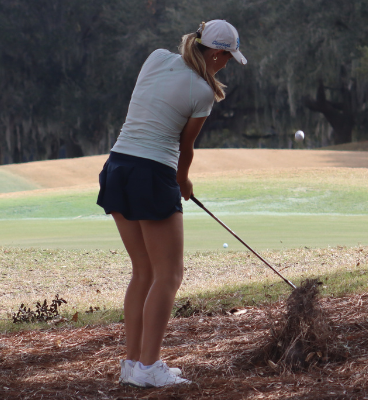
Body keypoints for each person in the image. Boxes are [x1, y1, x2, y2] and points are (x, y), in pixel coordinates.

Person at [96, 20, 247, 388]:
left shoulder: (155, 57)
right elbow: (185, 146)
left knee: (143, 272)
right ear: (215, 53)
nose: (226, 64)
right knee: (169, 275)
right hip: (151, 175)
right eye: (227, 56)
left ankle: (133, 366)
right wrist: (183, 183)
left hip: (117, 167)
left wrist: (177, 180)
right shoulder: (203, 91)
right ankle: (149, 366)